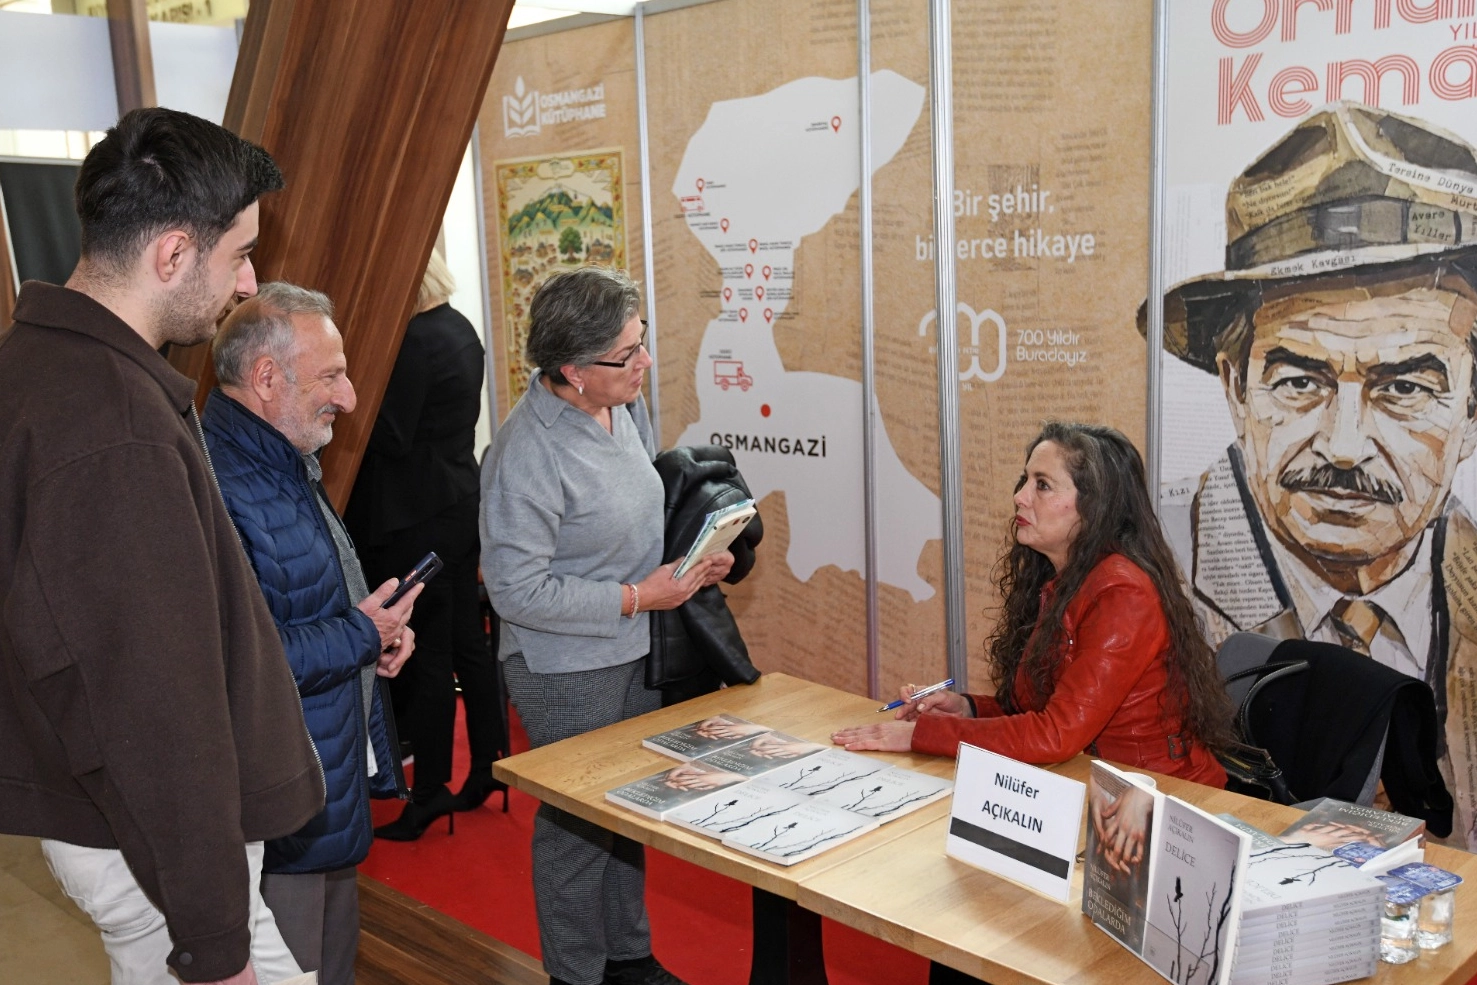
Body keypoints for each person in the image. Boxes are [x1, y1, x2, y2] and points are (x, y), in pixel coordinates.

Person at [0, 107, 325, 985]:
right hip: (152, 848)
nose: (249, 280)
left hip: (130, 833)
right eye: (238, 255)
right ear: (173, 254)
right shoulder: (112, 427)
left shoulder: (38, 365)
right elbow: (152, 703)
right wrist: (215, 947)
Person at [1145, 102, 1477, 847]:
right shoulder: (1155, 584)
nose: (1345, 446)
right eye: (1299, 382)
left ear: (1473, 409)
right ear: (1234, 389)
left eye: (1403, 386)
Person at [481, 265, 731, 985]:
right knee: (576, 830)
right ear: (571, 370)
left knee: (626, 810)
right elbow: (515, 590)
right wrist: (634, 596)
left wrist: (687, 565)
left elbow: (631, 517)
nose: (643, 362)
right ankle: (576, 974)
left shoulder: (621, 407)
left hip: (634, 641)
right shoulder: (524, 455)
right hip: (565, 668)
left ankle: (628, 956)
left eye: (641, 342)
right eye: (626, 354)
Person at [202, 282, 421, 984]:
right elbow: (243, 657)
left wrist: (374, 637)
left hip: (323, 789)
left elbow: (308, 605)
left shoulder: (286, 461)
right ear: (266, 378)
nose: (350, 397)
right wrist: (361, 635)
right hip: (282, 810)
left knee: (331, 965)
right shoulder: (219, 483)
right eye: (330, 375)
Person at [832, 422, 1230, 789]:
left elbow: (1055, 735)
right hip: (1093, 784)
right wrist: (967, 709)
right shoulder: (1064, 577)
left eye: (1042, 485)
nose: (1019, 496)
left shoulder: (1125, 593)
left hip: (1167, 800)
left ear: (1094, 506)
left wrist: (920, 735)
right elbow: (1040, 713)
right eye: (1026, 480)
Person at [345, 249, 505, 839]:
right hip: (458, 502)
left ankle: (430, 790)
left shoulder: (414, 338)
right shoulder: (458, 327)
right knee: (468, 644)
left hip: (414, 515)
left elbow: (390, 433)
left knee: (430, 655)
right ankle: (490, 765)